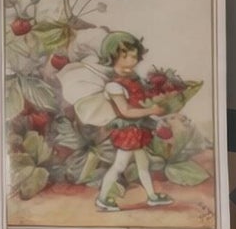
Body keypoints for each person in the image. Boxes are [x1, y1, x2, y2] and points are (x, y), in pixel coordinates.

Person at [60, 30, 171, 214]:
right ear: (111, 57)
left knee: (143, 165)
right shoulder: (114, 85)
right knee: (119, 166)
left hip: (138, 130)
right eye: (124, 55)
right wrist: (151, 111)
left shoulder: (134, 79)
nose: (131, 60)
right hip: (128, 132)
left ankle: (151, 196)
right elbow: (126, 111)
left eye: (134, 55)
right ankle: (103, 199)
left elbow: (141, 102)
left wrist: (156, 113)